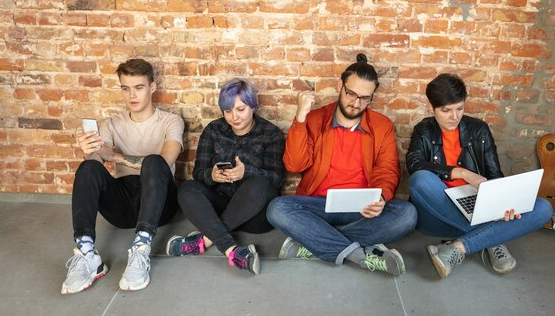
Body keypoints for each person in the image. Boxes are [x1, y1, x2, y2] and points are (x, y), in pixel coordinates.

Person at [267, 54, 418, 276]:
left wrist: (382, 198)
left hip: (361, 208)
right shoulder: (315, 118)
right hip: (319, 206)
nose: (356, 103)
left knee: (408, 215)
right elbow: (294, 165)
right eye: (351, 94)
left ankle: (312, 242)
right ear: (340, 86)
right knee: (277, 208)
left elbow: (387, 169)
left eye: (365, 98)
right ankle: (359, 255)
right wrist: (300, 118)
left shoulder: (381, 125)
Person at [406, 73, 553, 278]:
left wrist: (504, 205)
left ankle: (458, 247)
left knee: (544, 208)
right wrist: (462, 173)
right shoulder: (424, 130)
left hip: (477, 206)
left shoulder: (479, 129)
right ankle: (492, 237)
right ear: (432, 107)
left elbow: (494, 176)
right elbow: (414, 165)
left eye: (459, 108)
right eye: (445, 110)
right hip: (438, 213)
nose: (454, 117)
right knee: (420, 180)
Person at [61, 58, 184, 294]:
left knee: (155, 161)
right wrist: (89, 151)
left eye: (138, 87)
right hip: (123, 205)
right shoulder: (111, 124)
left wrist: (116, 157)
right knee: (87, 168)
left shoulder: (171, 121)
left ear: (152, 87)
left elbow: (166, 160)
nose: (132, 95)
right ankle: (87, 252)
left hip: (159, 204)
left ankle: (141, 248)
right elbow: (94, 168)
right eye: (125, 89)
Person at [166, 78, 285, 275]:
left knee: (259, 184)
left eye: (240, 109)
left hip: (255, 215)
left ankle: (204, 240)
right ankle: (233, 251)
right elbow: (198, 174)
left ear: (253, 106)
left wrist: (246, 172)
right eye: (228, 111)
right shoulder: (214, 130)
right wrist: (211, 175)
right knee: (187, 187)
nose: (234, 117)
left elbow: (276, 179)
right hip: (220, 205)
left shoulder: (270, 134)